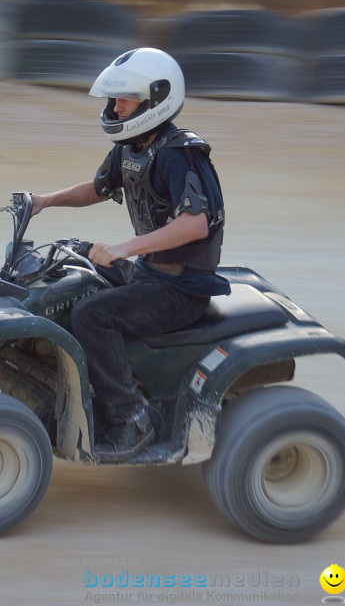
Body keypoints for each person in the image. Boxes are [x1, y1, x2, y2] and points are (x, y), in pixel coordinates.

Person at [30, 47, 229, 462]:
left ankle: (132, 418)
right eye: (114, 99)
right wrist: (44, 201)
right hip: (151, 274)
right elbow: (98, 188)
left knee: (92, 314)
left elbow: (195, 223)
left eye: (125, 100)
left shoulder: (179, 154)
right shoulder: (132, 146)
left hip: (180, 289)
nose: (115, 107)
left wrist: (122, 248)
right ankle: (77, 395)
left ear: (156, 100)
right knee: (72, 272)